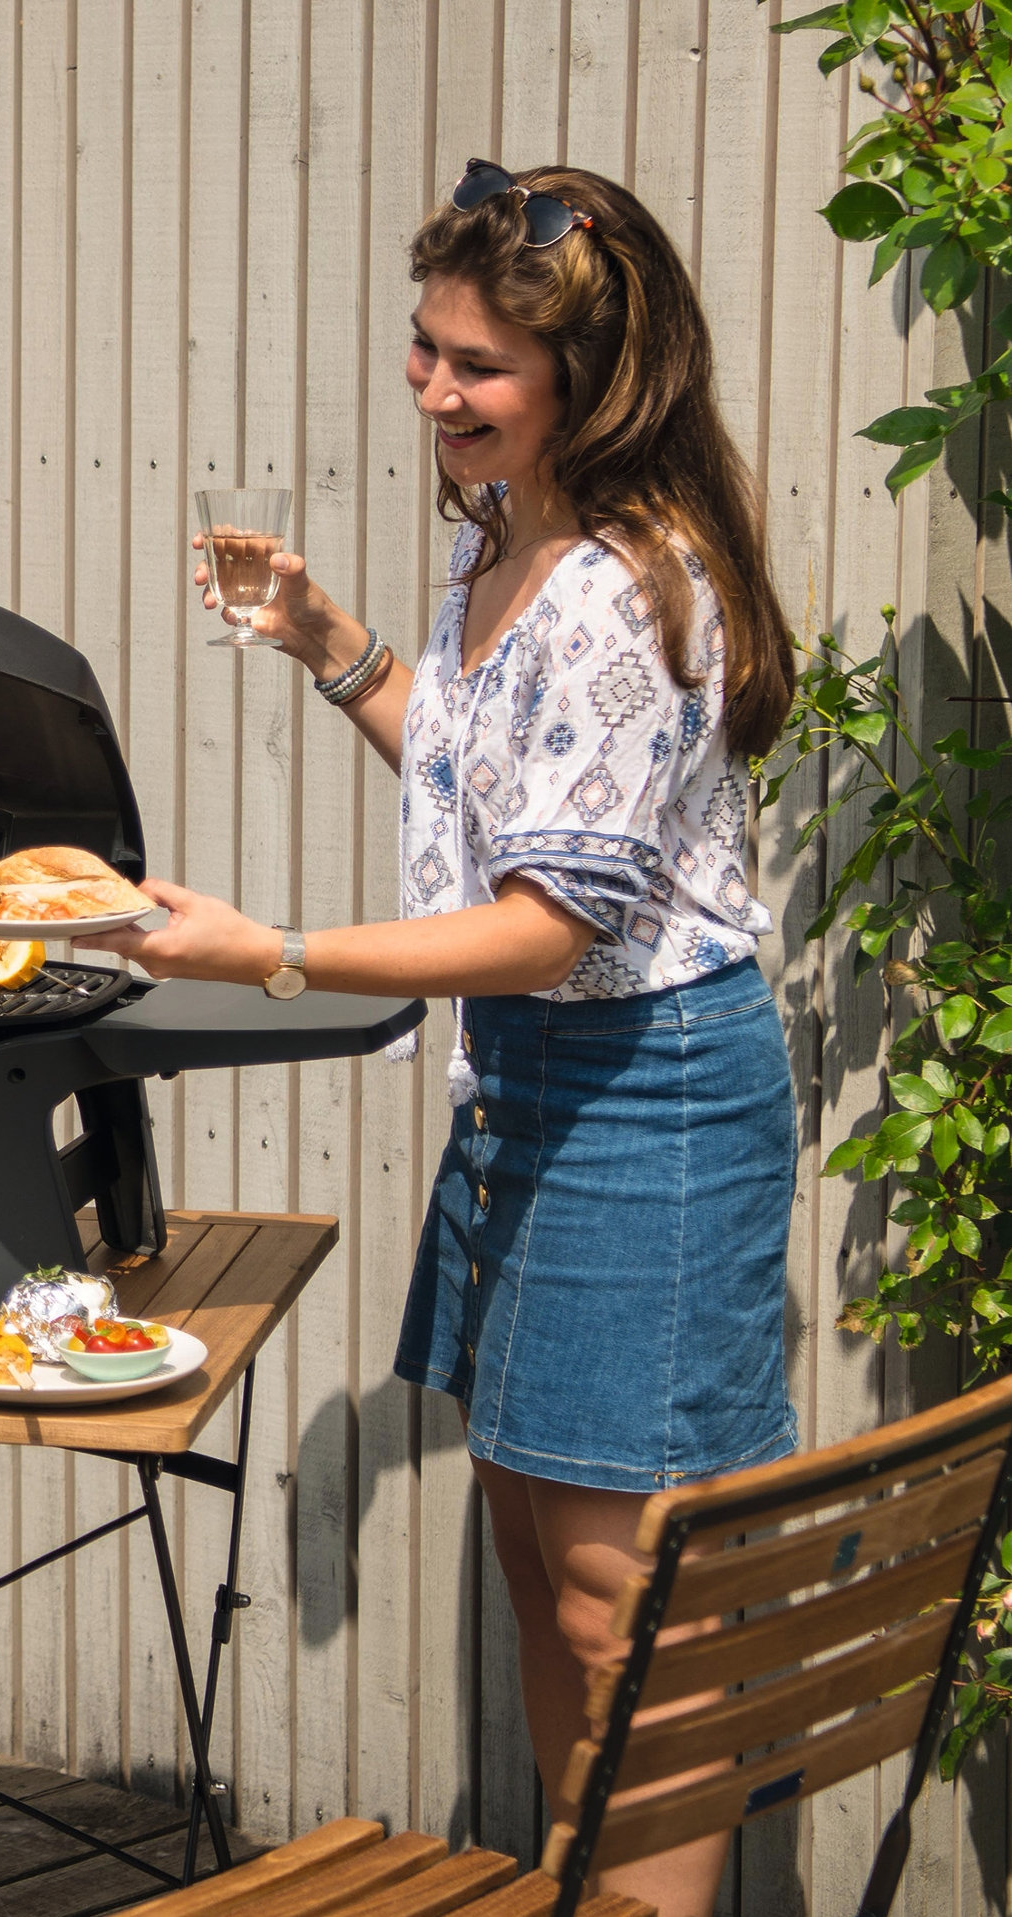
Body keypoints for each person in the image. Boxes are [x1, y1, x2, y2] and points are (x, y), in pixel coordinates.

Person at [84, 162, 797, 1917]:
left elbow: (555, 918)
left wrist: (273, 953)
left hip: (652, 1097)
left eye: (474, 363)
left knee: (616, 1602)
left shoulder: (631, 589)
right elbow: (501, 792)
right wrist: (331, 642)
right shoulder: (507, 542)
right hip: (540, 1093)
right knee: (541, 1571)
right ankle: (589, 1894)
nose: (432, 388)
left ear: (590, 377)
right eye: (422, 348)